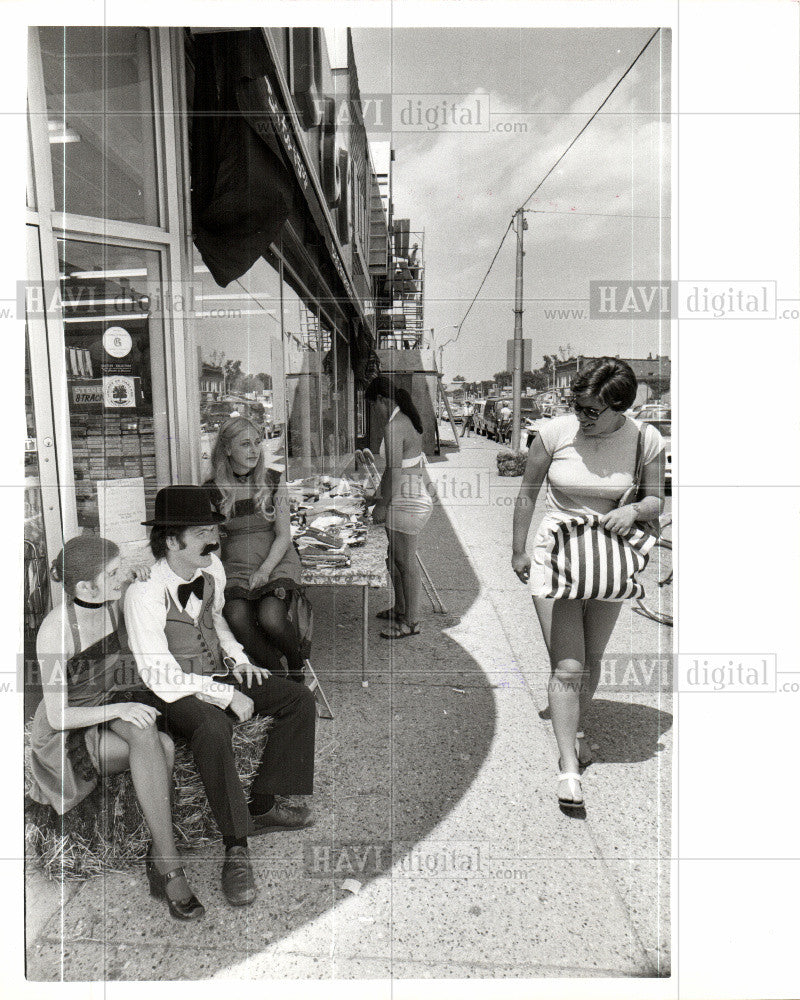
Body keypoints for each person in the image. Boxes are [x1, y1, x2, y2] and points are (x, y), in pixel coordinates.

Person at [123, 486, 317, 908]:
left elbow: (215, 620)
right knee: (212, 728)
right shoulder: (144, 593)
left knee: (297, 699)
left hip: (217, 672)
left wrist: (238, 659)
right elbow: (160, 675)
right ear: (172, 541)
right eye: (202, 533)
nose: (214, 541)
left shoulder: (212, 571)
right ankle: (236, 847)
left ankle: (264, 804)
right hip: (172, 691)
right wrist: (223, 694)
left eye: (213, 530)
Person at [511, 358, 665, 810]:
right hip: (556, 555)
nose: (582, 417)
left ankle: (575, 732)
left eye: (592, 411)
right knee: (569, 666)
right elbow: (527, 492)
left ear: (620, 407)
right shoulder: (554, 433)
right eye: (577, 406)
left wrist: (634, 511)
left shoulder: (645, 439)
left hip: (609, 559)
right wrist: (518, 550)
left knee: (592, 659)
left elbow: (657, 499)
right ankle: (568, 768)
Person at [27, 535, 204, 920]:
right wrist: (122, 706)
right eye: (111, 573)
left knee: (155, 739)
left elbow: (147, 587)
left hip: (106, 705)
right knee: (163, 747)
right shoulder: (55, 631)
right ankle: (168, 866)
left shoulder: (112, 603)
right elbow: (58, 717)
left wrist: (138, 576)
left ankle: (162, 858)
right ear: (83, 587)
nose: (119, 577)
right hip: (68, 729)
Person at [205, 416, 307, 684]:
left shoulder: (274, 480)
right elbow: (213, 545)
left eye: (258, 443)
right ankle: (279, 677)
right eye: (245, 444)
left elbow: (284, 535)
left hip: (275, 559)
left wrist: (265, 570)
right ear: (227, 449)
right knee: (237, 617)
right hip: (236, 564)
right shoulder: (212, 490)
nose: (254, 450)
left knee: (271, 617)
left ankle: (297, 666)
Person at [365, 376, 433, 639]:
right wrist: (377, 495)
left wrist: (381, 505)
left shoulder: (395, 426)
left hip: (407, 501)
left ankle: (413, 621)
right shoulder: (405, 419)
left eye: (374, 406)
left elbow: (394, 471)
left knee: (405, 561)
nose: (374, 412)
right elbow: (398, 469)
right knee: (393, 558)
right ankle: (402, 608)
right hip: (407, 496)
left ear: (383, 400)